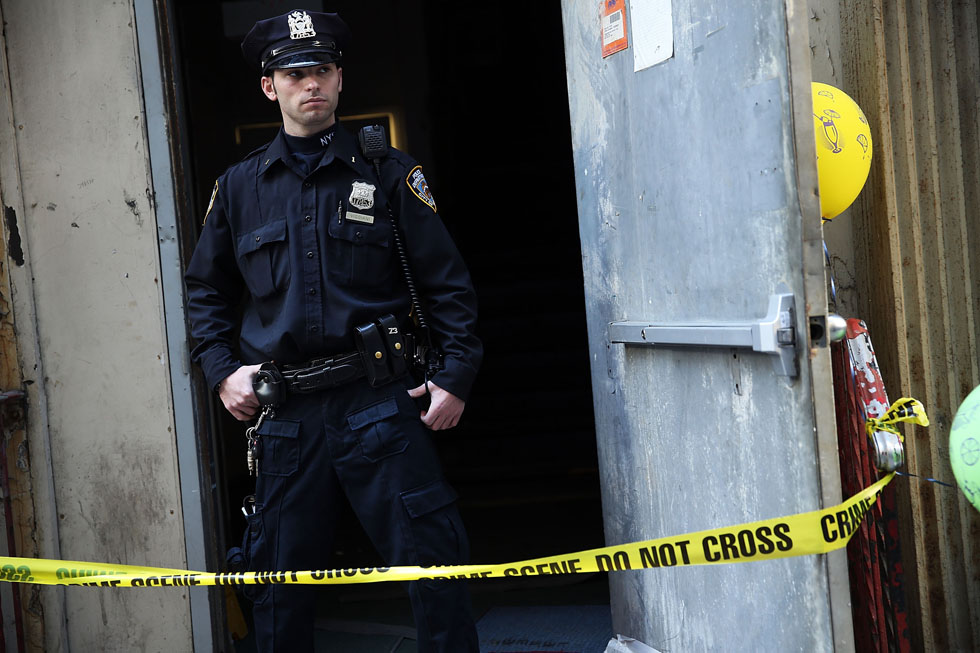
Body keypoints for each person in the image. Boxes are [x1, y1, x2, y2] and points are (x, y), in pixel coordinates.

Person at [184, 9, 482, 652]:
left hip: (380, 403)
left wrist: (455, 375)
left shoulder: (388, 173)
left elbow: (447, 283)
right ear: (270, 88)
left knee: (434, 565)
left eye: (321, 70)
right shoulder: (239, 189)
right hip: (287, 415)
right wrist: (221, 371)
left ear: (340, 78)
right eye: (294, 75)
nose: (310, 84)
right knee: (275, 586)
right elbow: (205, 291)